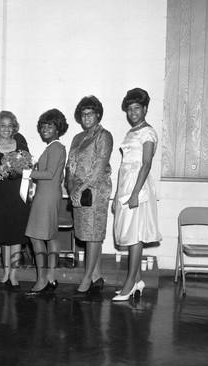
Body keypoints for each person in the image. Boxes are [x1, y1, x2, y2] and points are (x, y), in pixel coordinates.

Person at [112, 88, 162, 301]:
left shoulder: (148, 132)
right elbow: (124, 166)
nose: (133, 113)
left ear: (145, 109)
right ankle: (138, 280)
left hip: (138, 187)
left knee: (135, 235)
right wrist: (117, 194)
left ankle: (130, 284)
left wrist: (134, 193)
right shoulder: (131, 132)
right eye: (130, 109)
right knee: (130, 233)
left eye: (137, 108)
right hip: (126, 184)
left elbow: (147, 163)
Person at [66, 96, 113, 295]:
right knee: (86, 235)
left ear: (98, 115)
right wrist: (71, 187)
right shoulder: (78, 138)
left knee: (93, 235)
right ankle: (96, 276)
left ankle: (86, 278)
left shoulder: (104, 136)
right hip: (78, 192)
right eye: (83, 114)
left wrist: (81, 187)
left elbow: (99, 166)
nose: (86, 117)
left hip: (95, 191)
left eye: (90, 113)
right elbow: (70, 166)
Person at [22, 109, 68, 295]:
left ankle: (42, 279)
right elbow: (56, 174)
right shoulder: (53, 147)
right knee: (50, 236)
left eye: (50, 125)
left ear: (58, 128)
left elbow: (49, 174)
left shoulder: (56, 147)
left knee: (36, 236)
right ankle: (50, 276)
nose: (45, 129)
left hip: (47, 196)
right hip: (48, 194)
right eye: (43, 125)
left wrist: (26, 173)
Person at [0, 111, 30, 291]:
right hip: (0, 193)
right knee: (4, 234)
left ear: (14, 128)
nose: (6, 129)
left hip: (17, 192)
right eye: (3, 125)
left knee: (16, 233)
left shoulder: (20, 144)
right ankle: (5, 273)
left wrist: (16, 168)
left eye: (10, 125)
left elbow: (27, 165)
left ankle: (14, 275)